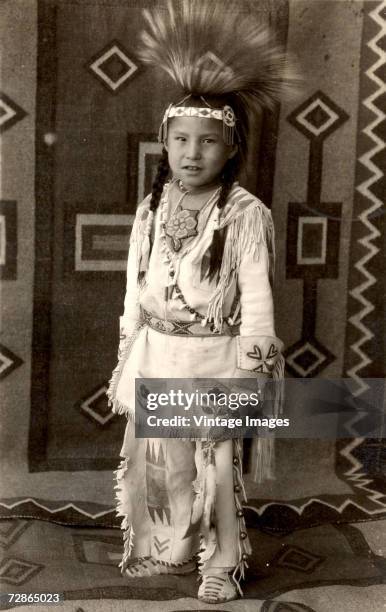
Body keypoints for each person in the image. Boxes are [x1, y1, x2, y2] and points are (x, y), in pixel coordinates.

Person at [107, 0, 294, 604]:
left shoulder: (245, 215)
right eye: (181, 140)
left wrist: (253, 372)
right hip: (159, 354)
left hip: (216, 358)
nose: (192, 153)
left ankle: (223, 561)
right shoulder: (152, 207)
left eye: (208, 142)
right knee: (163, 461)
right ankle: (169, 548)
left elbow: (259, 300)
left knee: (216, 467)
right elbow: (136, 289)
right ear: (164, 142)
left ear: (231, 148)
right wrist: (127, 355)